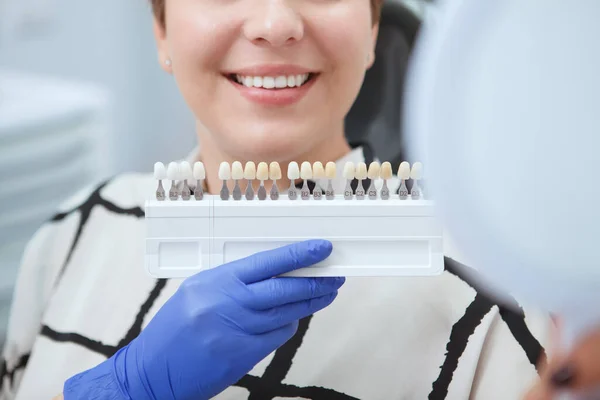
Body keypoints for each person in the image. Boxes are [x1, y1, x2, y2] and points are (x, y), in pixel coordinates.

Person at [1, 0, 552, 398]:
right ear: (161, 28)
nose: (275, 24)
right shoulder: (70, 234)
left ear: (372, 28)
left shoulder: (494, 304)